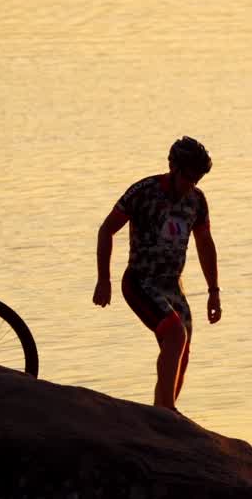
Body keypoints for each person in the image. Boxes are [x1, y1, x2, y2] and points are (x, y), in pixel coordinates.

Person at [93, 136, 221, 411]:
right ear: (173, 168)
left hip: (173, 286)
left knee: (181, 345)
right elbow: (106, 230)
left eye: (198, 179)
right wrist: (104, 279)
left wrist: (214, 291)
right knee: (175, 334)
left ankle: (162, 410)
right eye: (189, 177)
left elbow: (205, 243)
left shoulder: (197, 201)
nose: (192, 185)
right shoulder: (144, 191)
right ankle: (166, 411)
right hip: (140, 282)